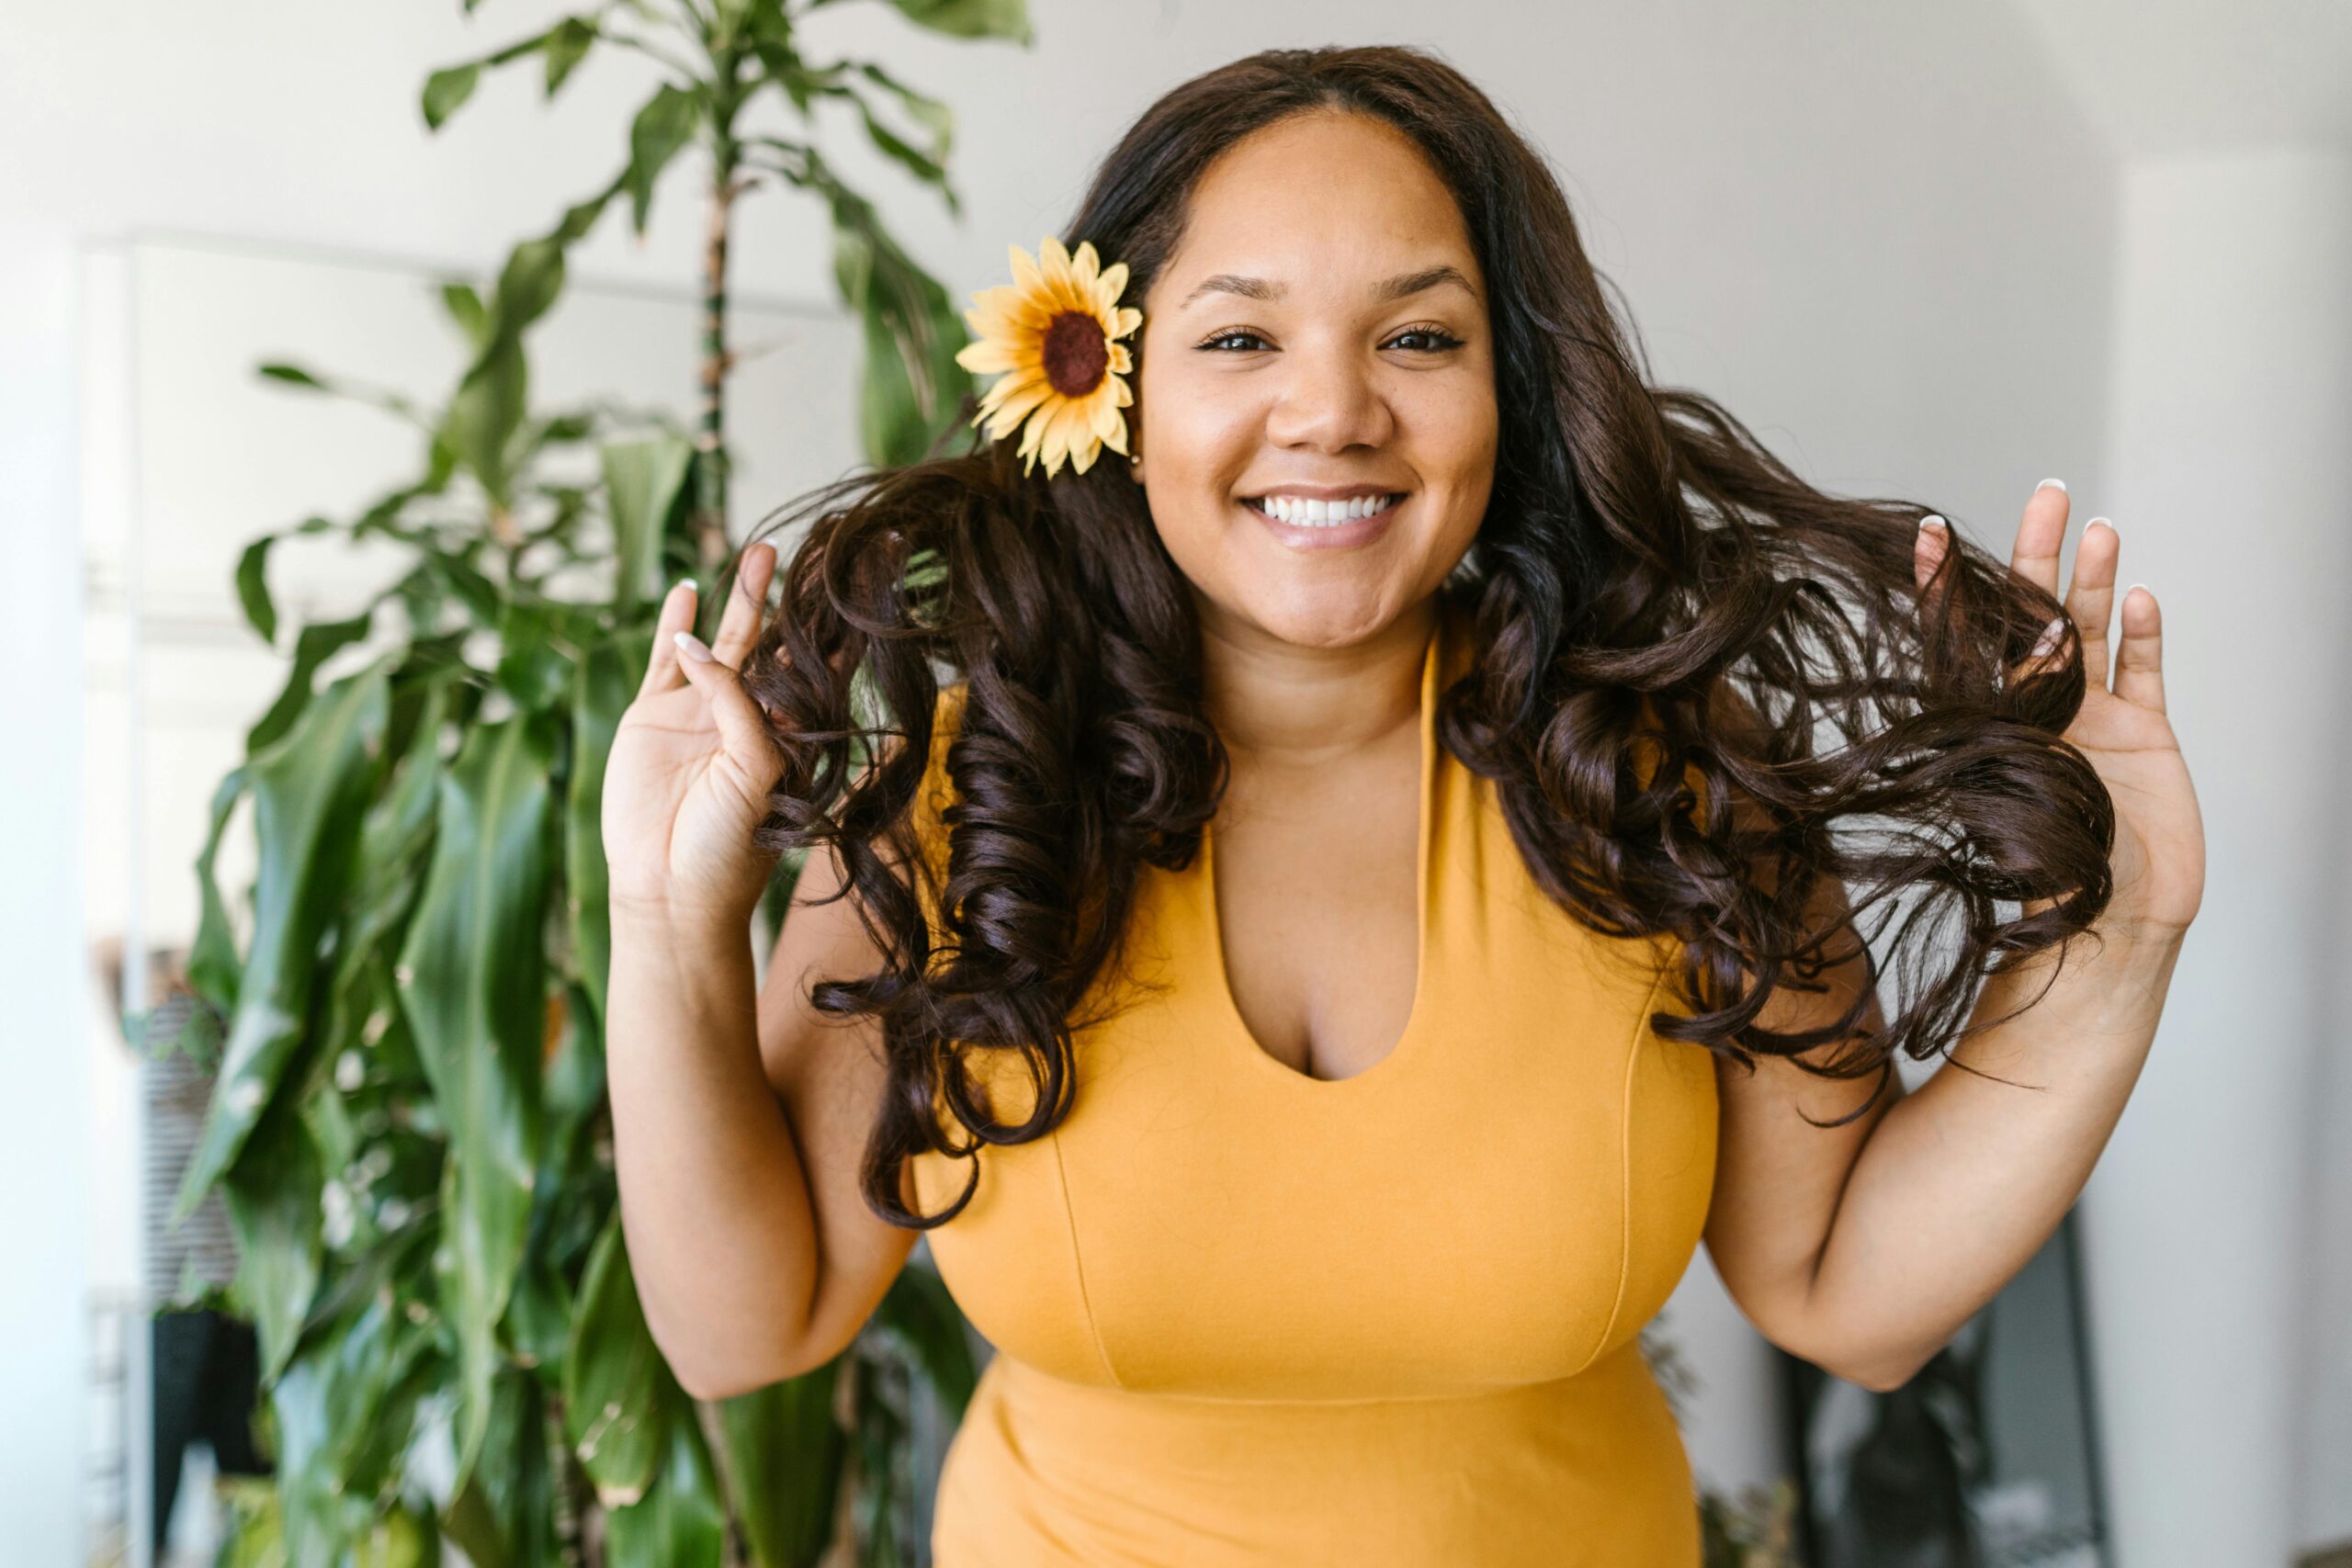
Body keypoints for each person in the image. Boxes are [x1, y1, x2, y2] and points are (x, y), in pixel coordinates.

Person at [598, 44, 2203, 1566]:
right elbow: (752, 1328)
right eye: (1239, 338)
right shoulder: (971, 797)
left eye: (1419, 337)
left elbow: (1849, 1292)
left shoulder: (1664, 777)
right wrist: (668, 922)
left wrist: (2122, 937)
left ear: (1515, 391)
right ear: (1106, 389)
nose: (1334, 412)